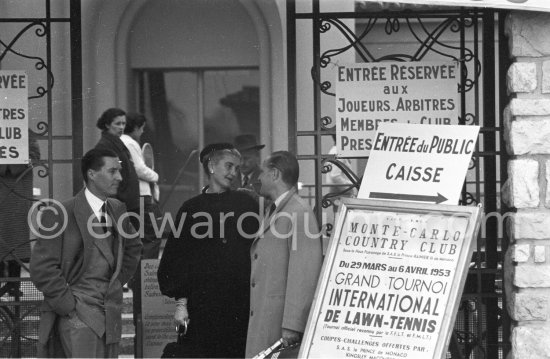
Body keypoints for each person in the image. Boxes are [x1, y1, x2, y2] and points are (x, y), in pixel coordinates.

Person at [30, 148, 142, 357]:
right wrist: (68, 306)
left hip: (110, 314)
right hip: (77, 316)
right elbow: (42, 268)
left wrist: (116, 282)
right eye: (112, 171)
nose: (119, 177)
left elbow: (134, 248)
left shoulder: (117, 208)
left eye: (119, 171)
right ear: (91, 174)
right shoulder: (61, 213)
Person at [157, 143, 260, 358]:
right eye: (229, 166)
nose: (233, 173)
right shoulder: (191, 208)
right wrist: (181, 305)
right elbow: (176, 260)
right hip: (203, 307)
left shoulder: (247, 204)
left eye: (236, 168)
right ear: (211, 167)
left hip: (240, 306)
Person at [246, 150, 324, 357]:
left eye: (262, 172)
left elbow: (304, 274)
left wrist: (293, 324)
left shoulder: (298, 212)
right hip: (269, 319)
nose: (258, 178)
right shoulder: (277, 209)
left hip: (280, 325)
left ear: (274, 174)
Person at [94, 108, 140, 214]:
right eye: (117, 124)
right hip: (120, 204)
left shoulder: (118, 142)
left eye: (123, 123)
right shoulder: (105, 146)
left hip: (129, 202)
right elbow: (107, 177)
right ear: (107, 125)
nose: (121, 127)